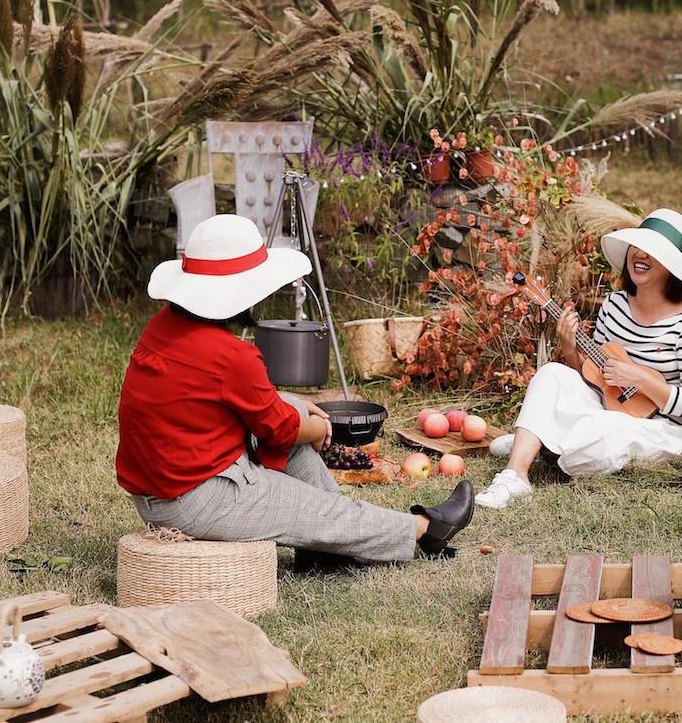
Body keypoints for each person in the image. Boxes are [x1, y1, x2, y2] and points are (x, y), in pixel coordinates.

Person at [117, 214, 474, 565]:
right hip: (194, 499)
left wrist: (298, 408)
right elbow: (280, 427)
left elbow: (233, 399)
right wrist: (319, 429)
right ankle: (424, 528)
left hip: (163, 488)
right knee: (321, 504)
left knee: (295, 413)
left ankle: (328, 550)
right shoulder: (231, 355)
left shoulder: (162, 327)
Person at [475, 209, 682, 509]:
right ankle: (515, 475)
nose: (639, 254)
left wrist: (638, 378)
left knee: (602, 439)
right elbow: (596, 380)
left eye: (653, 251)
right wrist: (568, 346)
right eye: (636, 246)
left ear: (672, 267)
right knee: (551, 373)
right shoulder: (614, 305)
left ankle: (539, 439)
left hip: (664, 430)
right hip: (607, 409)